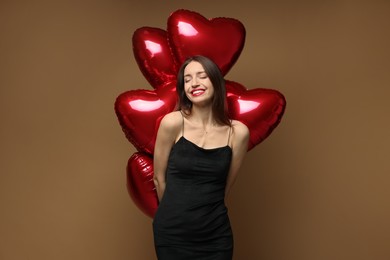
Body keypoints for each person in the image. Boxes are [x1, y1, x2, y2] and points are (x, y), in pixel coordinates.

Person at [152, 55, 249, 260]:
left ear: (215, 81)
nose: (194, 83)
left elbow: (225, 187)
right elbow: (159, 179)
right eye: (187, 80)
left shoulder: (238, 132)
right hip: (172, 234)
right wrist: (175, 214)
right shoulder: (172, 123)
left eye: (202, 76)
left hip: (216, 234)